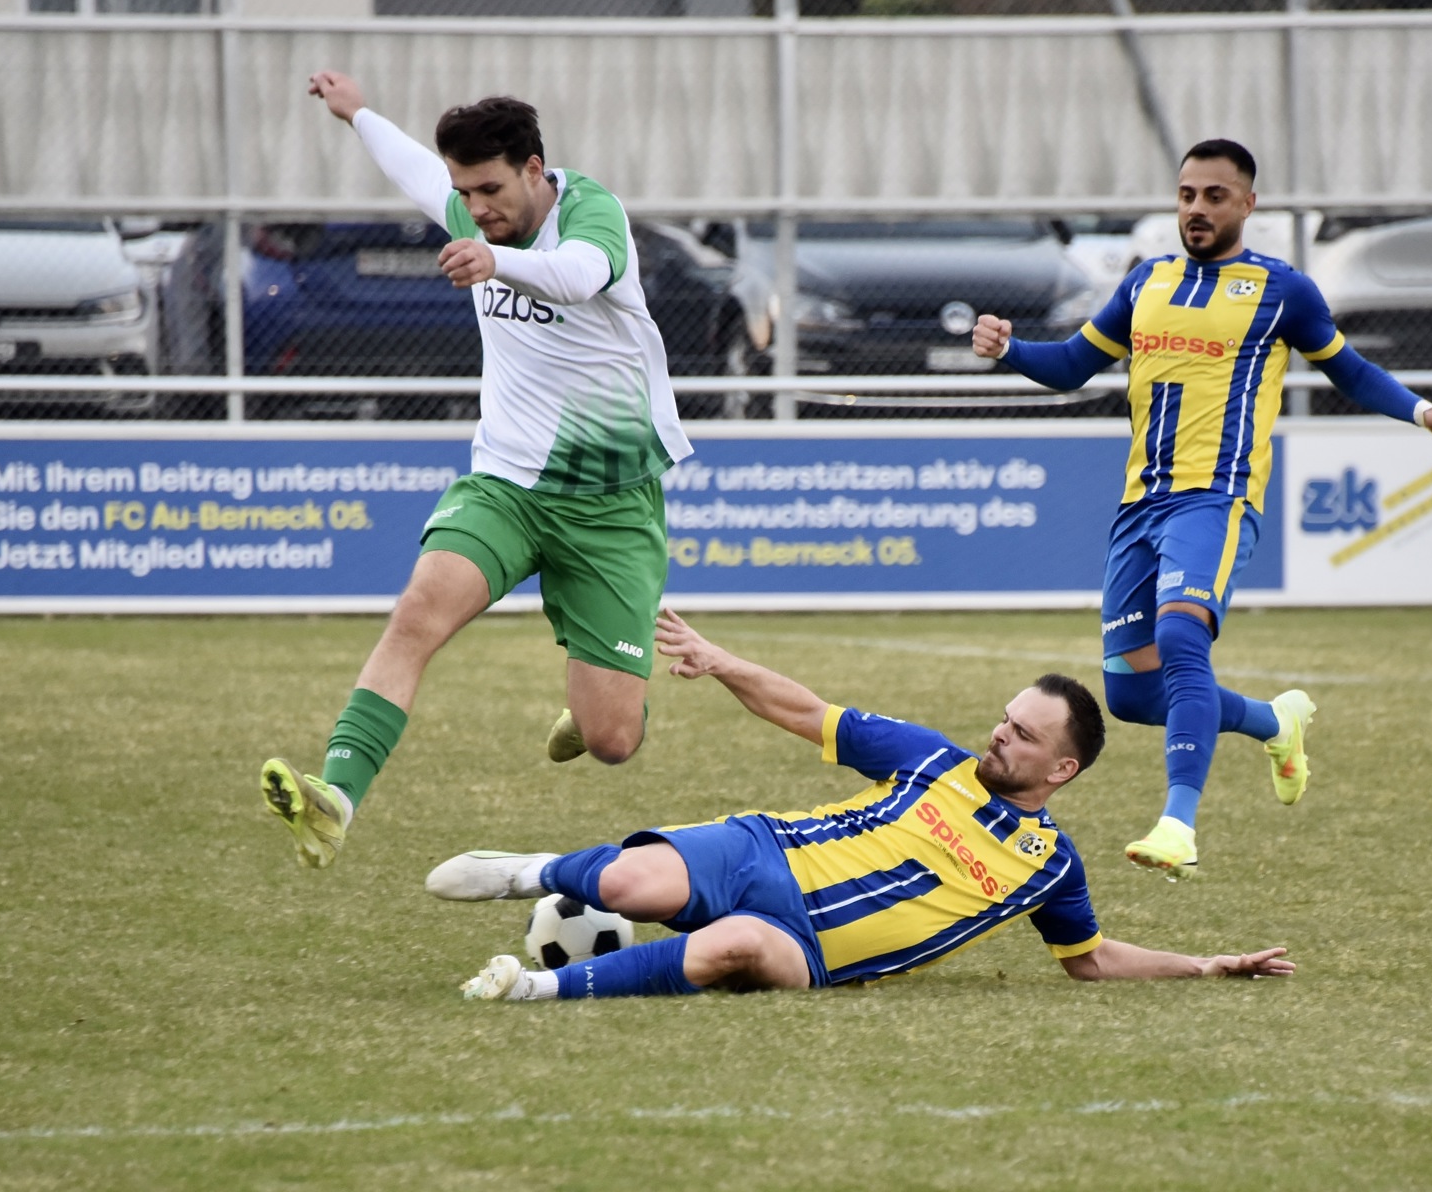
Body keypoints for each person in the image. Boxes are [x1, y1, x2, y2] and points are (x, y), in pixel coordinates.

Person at [970, 139, 1432, 880]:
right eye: (1187, 194)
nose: (1197, 208)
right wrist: (1012, 348)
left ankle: (1178, 824)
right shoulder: (1145, 282)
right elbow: (1073, 365)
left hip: (1216, 499)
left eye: (1215, 196)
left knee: (1182, 638)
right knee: (1132, 694)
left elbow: (1350, 370)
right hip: (1140, 506)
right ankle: (1276, 721)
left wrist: (1423, 411)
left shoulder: (1282, 290)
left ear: (1248, 204)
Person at [261, 72, 693, 869]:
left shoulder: (591, 213)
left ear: (534, 168)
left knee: (612, 739)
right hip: (505, 486)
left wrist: (494, 259)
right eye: (465, 192)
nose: (475, 206)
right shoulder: (471, 208)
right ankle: (335, 800)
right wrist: (357, 112)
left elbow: (578, 275)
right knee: (416, 616)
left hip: (608, 502)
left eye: (490, 189)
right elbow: (416, 172)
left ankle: (601, 702)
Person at [426, 609, 1295, 1002]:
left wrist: (1206, 966)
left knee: (729, 946)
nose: (999, 736)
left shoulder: (1049, 867)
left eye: (1022, 736)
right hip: (764, 850)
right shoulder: (932, 757)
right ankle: (529, 872)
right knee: (626, 887)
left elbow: (1091, 961)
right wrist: (719, 661)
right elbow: (806, 711)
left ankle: (530, 988)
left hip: (806, 949)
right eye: (1004, 719)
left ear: (1062, 769)